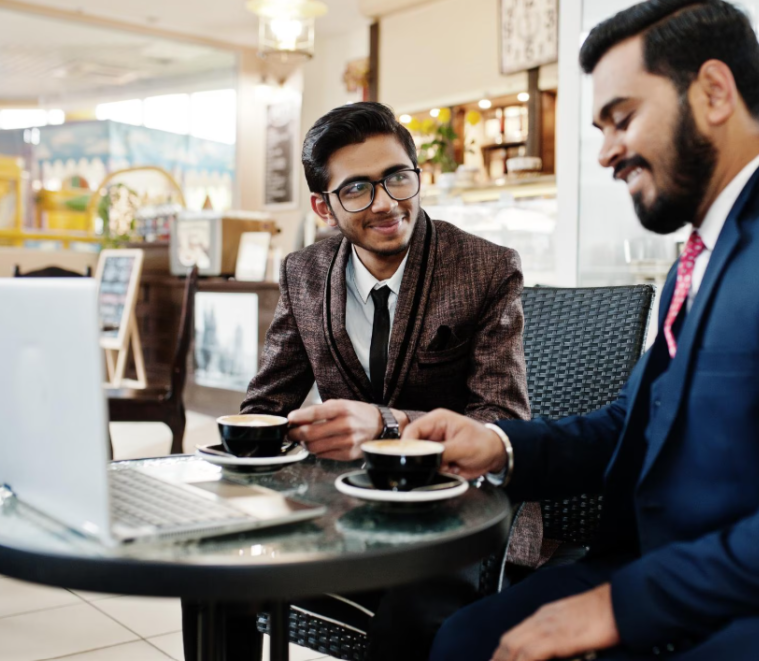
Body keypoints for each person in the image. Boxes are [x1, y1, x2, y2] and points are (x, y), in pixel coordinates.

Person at [405, 2, 759, 660]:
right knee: (465, 638)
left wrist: (622, 606)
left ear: (713, 92)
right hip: (683, 568)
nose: (605, 153)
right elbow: (632, 424)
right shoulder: (703, 254)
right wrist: (499, 444)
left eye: (622, 118)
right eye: (600, 129)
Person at [216, 101, 532, 661]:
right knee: (219, 573)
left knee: (411, 618)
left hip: (457, 513)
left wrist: (388, 425)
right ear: (323, 206)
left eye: (397, 178)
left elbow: (503, 423)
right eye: (357, 189)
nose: (386, 202)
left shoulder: (486, 268)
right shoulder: (303, 272)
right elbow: (265, 404)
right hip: (340, 505)